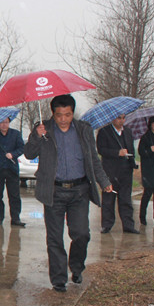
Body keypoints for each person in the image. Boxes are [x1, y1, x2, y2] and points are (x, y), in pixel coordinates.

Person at [24, 94, 112, 292]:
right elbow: (29, 153)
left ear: (73, 113)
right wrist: (37, 136)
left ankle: (77, 267)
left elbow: (93, 159)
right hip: (53, 191)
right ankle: (58, 279)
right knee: (54, 238)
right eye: (59, 115)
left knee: (81, 234)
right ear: (53, 114)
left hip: (79, 191)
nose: (63, 119)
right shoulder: (44, 129)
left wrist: (104, 181)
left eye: (67, 114)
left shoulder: (84, 130)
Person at [96, 114, 140, 234]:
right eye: (119, 118)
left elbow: (131, 149)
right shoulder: (104, 132)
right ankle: (106, 225)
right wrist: (117, 153)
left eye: (123, 118)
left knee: (126, 198)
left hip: (126, 171)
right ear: (113, 118)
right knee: (108, 199)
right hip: (110, 171)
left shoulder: (128, 132)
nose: (121, 121)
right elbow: (101, 150)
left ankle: (128, 225)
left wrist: (132, 162)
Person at [0, 117, 26, 228]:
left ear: (9, 123)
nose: (4, 125)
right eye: (2, 122)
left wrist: (13, 154)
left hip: (11, 169)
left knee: (14, 195)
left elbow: (21, 148)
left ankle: (16, 218)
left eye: (6, 122)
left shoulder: (15, 134)